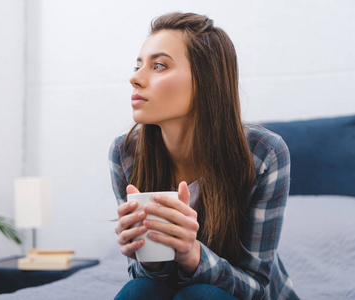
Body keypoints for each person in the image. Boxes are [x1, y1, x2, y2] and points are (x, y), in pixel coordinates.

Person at [109, 12, 299, 300]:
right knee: (139, 290)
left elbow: (256, 286)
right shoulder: (126, 154)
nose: (135, 78)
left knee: (201, 295)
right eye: (138, 66)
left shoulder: (265, 154)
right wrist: (148, 256)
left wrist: (191, 252)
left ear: (205, 80)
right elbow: (150, 282)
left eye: (158, 66)